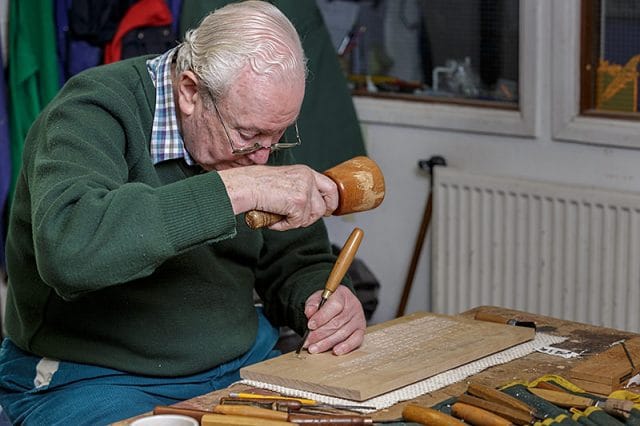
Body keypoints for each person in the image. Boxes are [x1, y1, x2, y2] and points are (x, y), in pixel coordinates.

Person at [0, 1, 366, 424]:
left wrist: (322, 297)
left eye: (278, 135)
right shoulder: (92, 110)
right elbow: (71, 248)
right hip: (95, 378)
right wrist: (236, 190)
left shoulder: (255, 130)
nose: (264, 155)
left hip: (240, 363)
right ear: (191, 92)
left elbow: (294, 258)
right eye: (249, 135)